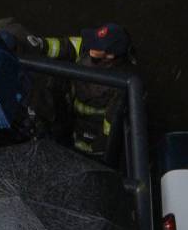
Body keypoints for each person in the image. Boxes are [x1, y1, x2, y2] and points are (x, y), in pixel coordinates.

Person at [31, 23, 135, 161]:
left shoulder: (122, 82)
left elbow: (110, 129)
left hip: (92, 130)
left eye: (98, 46)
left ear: (109, 56)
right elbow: (63, 46)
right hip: (70, 115)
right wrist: (39, 44)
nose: (91, 45)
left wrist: (98, 153)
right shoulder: (87, 47)